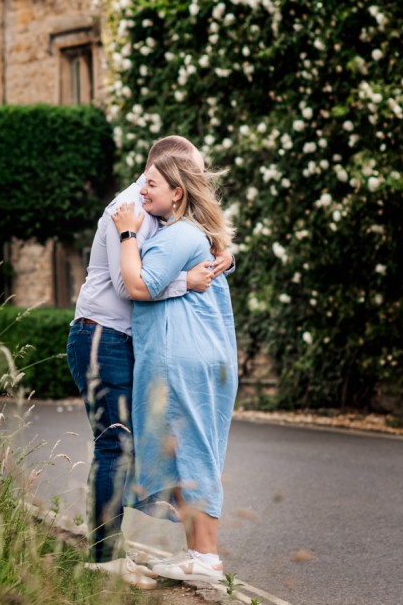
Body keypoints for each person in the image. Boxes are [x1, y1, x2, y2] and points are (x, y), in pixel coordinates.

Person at [66, 135, 233, 587]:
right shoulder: (134, 208)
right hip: (102, 336)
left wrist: (220, 260)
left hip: (127, 341)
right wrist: (187, 281)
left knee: (141, 445)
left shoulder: (164, 213)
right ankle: (103, 557)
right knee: (115, 443)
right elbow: (130, 286)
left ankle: (123, 551)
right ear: (173, 175)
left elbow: (192, 244)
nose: (196, 183)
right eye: (191, 174)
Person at [111, 151, 237, 583]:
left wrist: (128, 234)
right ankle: (196, 553)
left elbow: (138, 284)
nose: (141, 190)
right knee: (185, 450)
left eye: (151, 184)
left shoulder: (177, 235)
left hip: (179, 355)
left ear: (177, 193)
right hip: (187, 353)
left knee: (192, 451)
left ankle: (205, 558)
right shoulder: (188, 233)